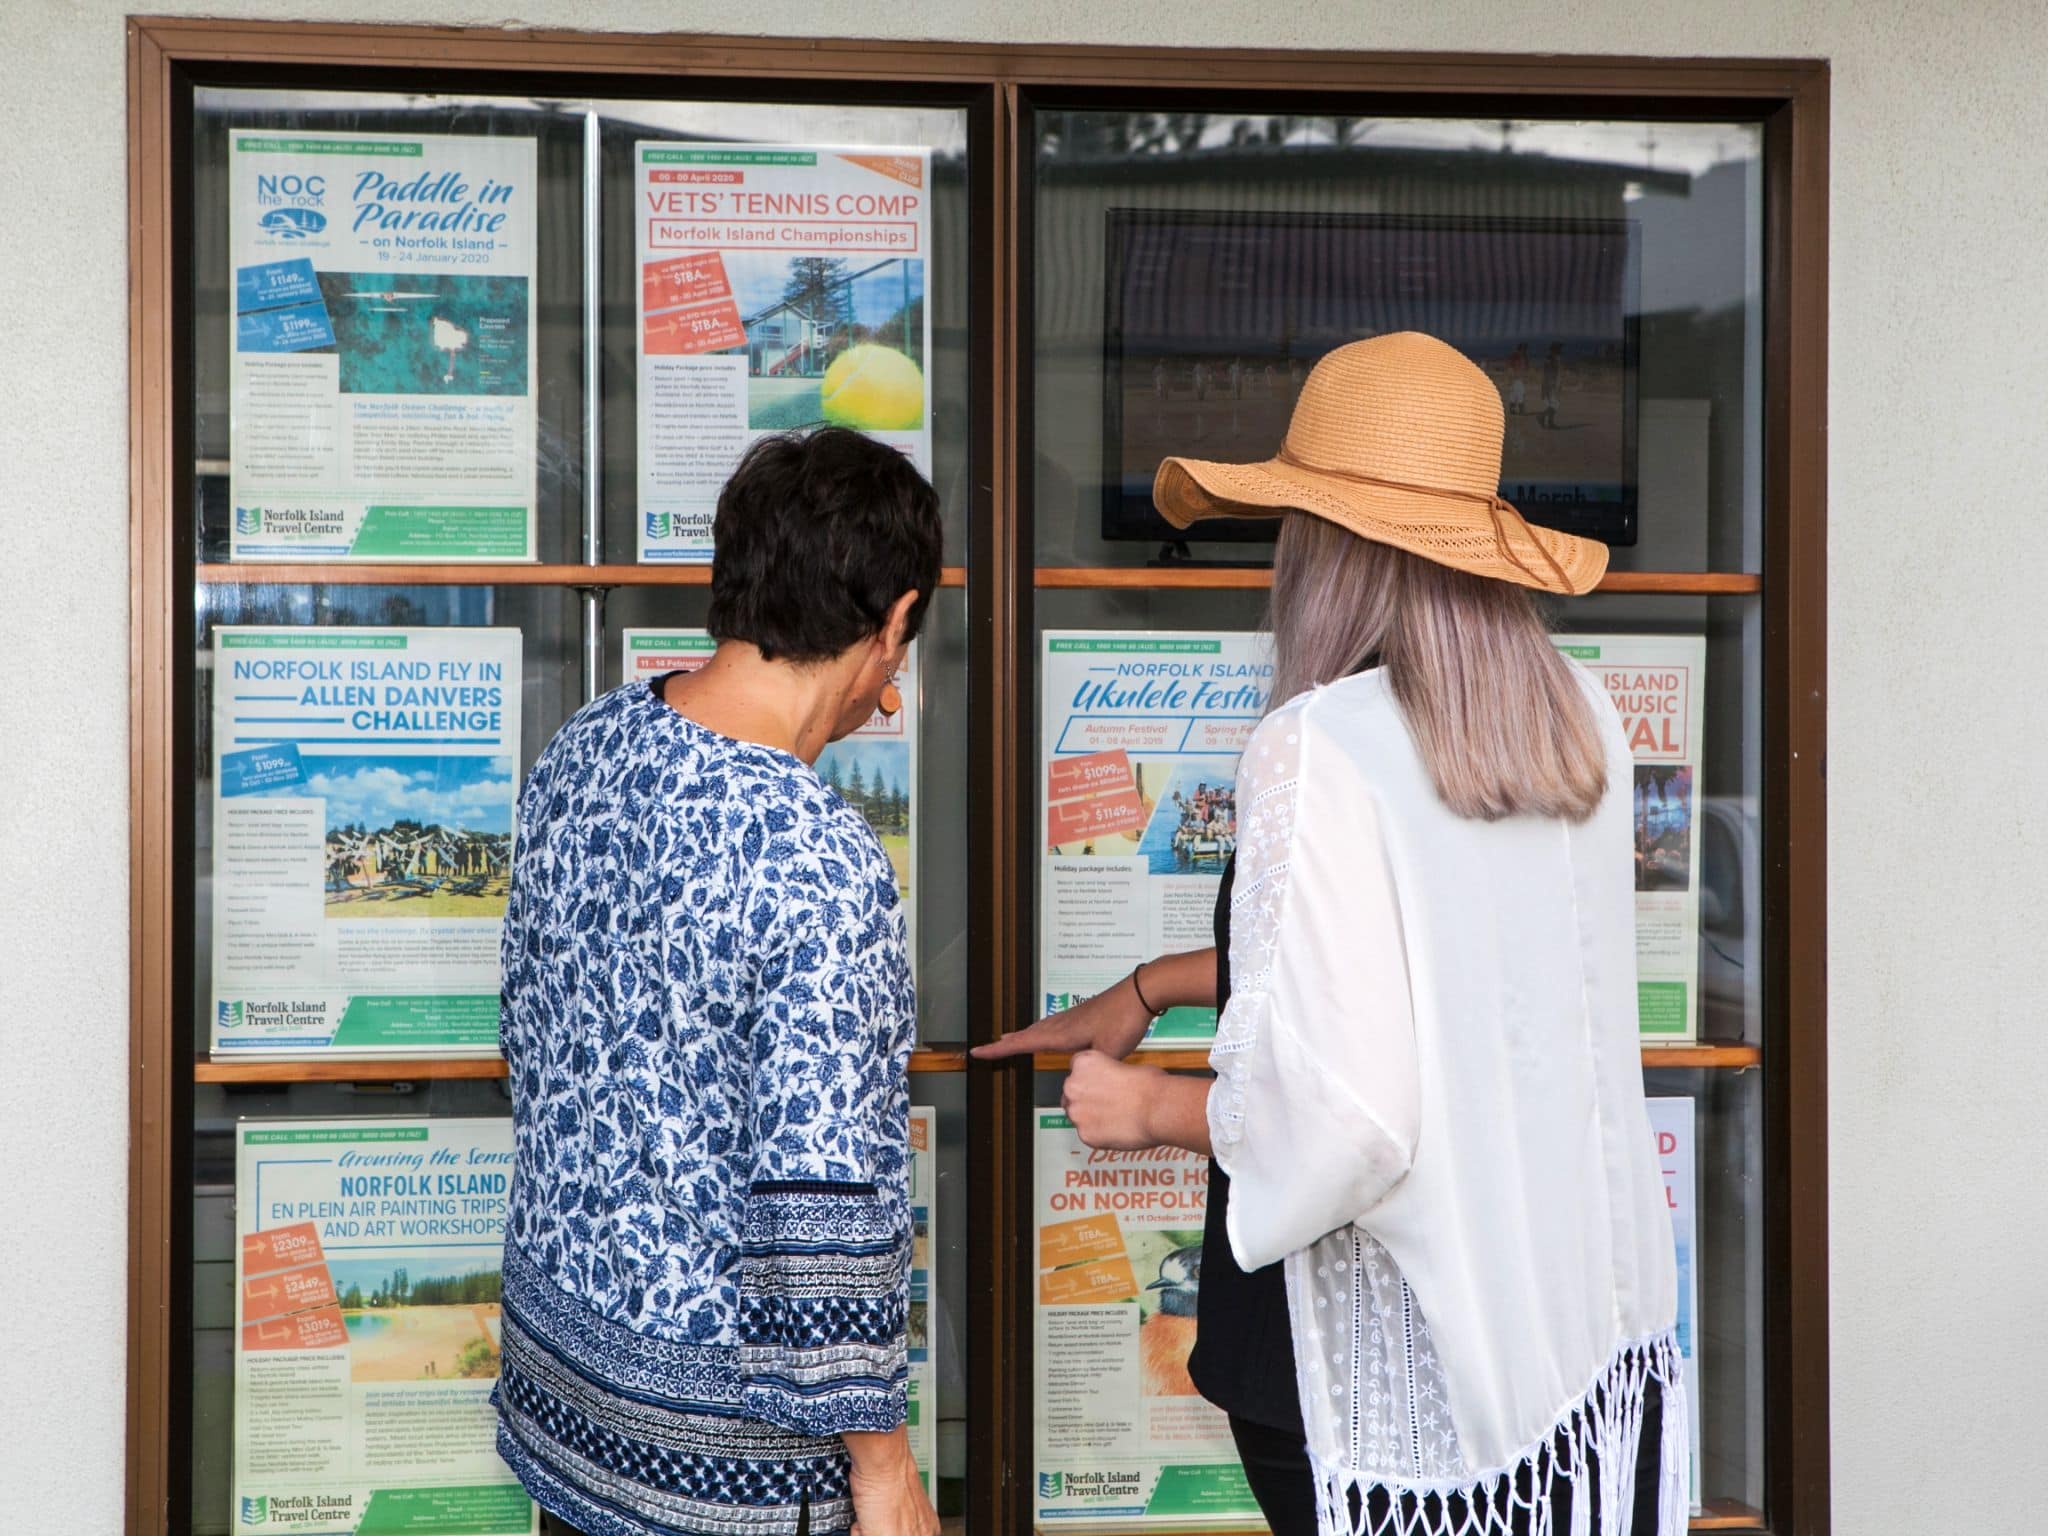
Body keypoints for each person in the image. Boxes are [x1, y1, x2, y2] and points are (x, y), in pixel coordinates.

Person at [978, 333, 1685, 1536]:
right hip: (1563, 1356)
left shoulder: (1320, 741)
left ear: (1323, 541)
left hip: (1373, 1379)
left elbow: (1349, 1123)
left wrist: (1144, 1106)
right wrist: (1157, 983)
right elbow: (1465, 975)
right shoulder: (1578, 723)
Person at [496, 428, 944, 1536]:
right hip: (720, 1476)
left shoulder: (588, 746)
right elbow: (820, 1206)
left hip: (568, 1412)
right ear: (892, 623)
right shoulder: (817, 857)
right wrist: (884, 1475)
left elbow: (526, 1035)